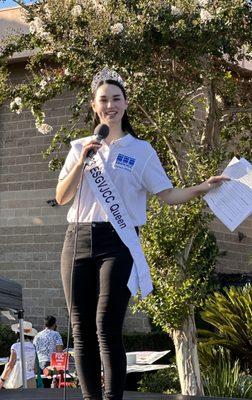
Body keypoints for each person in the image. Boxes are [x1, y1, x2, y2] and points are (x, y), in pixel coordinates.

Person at [55, 67, 229, 400]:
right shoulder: (80, 147)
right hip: (77, 239)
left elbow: (167, 195)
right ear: (94, 106)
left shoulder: (141, 150)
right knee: (80, 330)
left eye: (116, 99)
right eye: (103, 100)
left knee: (106, 327)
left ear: (126, 103)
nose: (110, 105)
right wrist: (83, 160)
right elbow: (62, 196)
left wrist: (203, 188)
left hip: (119, 243)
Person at [0, 321, 37, 390]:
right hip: (31, 380)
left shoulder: (16, 346)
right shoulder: (33, 346)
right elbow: (34, 366)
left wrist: (1, 381)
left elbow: (11, 365)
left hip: (19, 381)